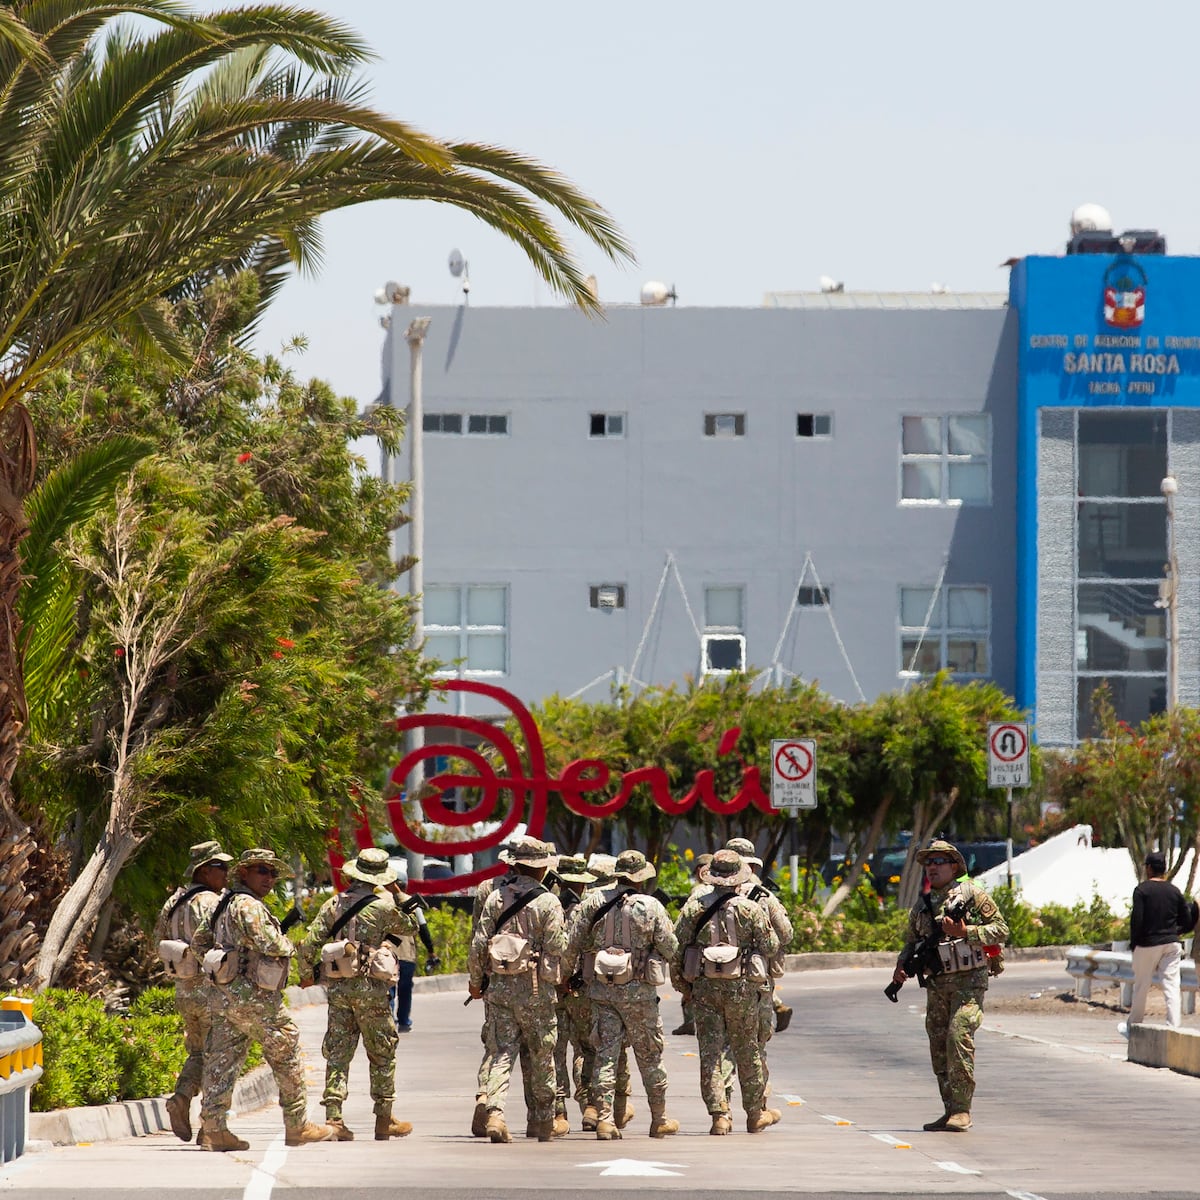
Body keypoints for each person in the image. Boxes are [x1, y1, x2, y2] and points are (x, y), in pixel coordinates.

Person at [192, 848, 336, 1150]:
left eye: (272, 873)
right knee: (287, 1045)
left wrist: (219, 966)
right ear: (243, 872)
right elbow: (272, 944)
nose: (269, 878)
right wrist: (288, 944)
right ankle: (298, 1125)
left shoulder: (222, 903)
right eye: (262, 871)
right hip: (254, 996)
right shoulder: (247, 905)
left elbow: (199, 942)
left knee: (222, 1060)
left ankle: (214, 1129)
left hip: (224, 995)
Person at [298, 847, 418, 1140]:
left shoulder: (333, 904)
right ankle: (384, 1118)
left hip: (339, 988)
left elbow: (308, 943)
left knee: (338, 1052)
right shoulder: (382, 907)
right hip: (372, 990)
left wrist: (305, 976)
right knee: (382, 1052)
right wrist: (398, 892)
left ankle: (334, 1119)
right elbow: (411, 926)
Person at [891, 838, 1009, 1134]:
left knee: (958, 1036)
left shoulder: (972, 895)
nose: (931, 867)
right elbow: (911, 941)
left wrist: (966, 931)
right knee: (939, 1046)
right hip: (937, 985)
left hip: (969, 983)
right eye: (928, 863)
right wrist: (901, 965)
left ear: (954, 866)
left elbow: (1001, 930)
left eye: (938, 861)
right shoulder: (923, 905)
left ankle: (962, 1110)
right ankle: (949, 1109)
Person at [563, 848, 679, 1141]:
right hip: (640, 993)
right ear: (640, 878)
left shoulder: (593, 903)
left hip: (602, 990)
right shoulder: (651, 906)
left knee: (605, 1055)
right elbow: (671, 947)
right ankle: (659, 1118)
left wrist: (564, 977)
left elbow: (572, 944)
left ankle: (603, 1119)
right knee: (650, 1056)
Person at [672, 849, 779, 1135]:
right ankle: (755, 1114)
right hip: (743, 989)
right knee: (748, 1051)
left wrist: (684, 987)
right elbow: (770, 946)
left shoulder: (695, 907)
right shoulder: (751, 908)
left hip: (705, 988)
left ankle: (719, 1115)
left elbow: (676, 948)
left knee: (710, 1054)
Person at [468, 837, 566, 1143]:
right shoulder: (548, 901)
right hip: (536, 992)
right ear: (539, 869)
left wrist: (475, 982)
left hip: (499, 990)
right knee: (541, 1055)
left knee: (501, 1053)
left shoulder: (495, 898)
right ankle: (543, 1121)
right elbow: (558, 947)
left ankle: (495, 1114)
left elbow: (478, 944)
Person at [153, 840, 232, 1142]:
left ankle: (182, 1097)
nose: (226, 873)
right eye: (220, 867)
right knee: (220, 1057)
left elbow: (158, 940)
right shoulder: (213, 903)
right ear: (204, 871)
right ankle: (209, 1128)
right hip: (212, 991)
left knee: (199, 1052)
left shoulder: (172, 902)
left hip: (184, 990)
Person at [726, 837, 793, 1107]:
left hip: (714, 982)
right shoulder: (763, 897)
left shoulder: (705, 897)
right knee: (754, 1045)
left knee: (720, 1049)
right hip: (756, 983)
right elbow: (786, 934)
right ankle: (758, 1107)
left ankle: (721, 1111)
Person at [1122, 850, 1198, 1034]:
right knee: (1172, 984)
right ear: (1164, 869)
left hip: (1147, 943)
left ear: (1149, 868)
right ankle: (1174, 1027)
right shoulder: (1174, 891)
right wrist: (1178, 932)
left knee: (1141, 985)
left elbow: (1137, 920)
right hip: (1171, 944)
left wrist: (1135, 944)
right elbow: (1188, 919)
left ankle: (1134, 1025)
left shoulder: (1141, 890)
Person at [549, 854, 594, 1133]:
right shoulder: (589, 910)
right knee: (586, 1048)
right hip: (581, 988)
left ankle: (558, 1113)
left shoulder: (549, 906)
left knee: (555, 1050)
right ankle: (589, 1105)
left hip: (552, 988)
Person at [672, 851, 712, 1036]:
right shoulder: (734, 893)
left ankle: (689, 1022)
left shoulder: (698, 893)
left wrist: (677, 974)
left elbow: (680, 933)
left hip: (700, 956)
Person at [389, 893, 439, 1033]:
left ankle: (390, 1019)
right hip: (407, 953)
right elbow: (423, 929)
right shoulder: (413, 902)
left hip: (387, 953)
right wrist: (430, 950)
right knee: (405, 990)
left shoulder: (382, 900)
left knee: (389, 988)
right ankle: (404, 1020)